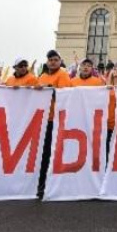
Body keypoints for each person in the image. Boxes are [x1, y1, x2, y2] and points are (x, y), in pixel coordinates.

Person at [36, 50, 72, 197]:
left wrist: (50, 88)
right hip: (43, 120)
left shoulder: (63, 74)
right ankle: (41, 182)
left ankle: (48, 184)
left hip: (56, 120)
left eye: (56, 60)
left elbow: (65, 95)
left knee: (51, 153)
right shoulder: (42, 76)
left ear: (60, 61)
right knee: (42, 154)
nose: (53, 62)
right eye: (50, 60)